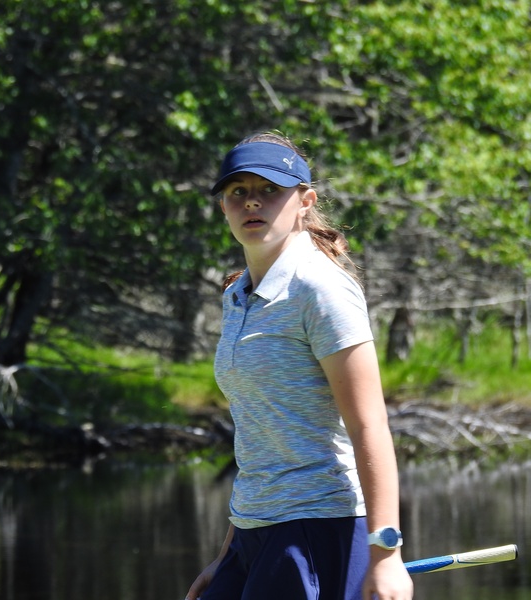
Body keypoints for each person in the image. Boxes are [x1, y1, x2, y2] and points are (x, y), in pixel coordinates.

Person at [186, 132, 414, 600]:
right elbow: (259, 435)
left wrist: (386, 553)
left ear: (304, 202)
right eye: (238, 192)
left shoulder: (320, 288)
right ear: (223, 206)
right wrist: (230, 555)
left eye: (270, 189)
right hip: (254, 530)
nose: (253, 202)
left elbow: (370, 424)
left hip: (317, 527)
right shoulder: (237, 295)